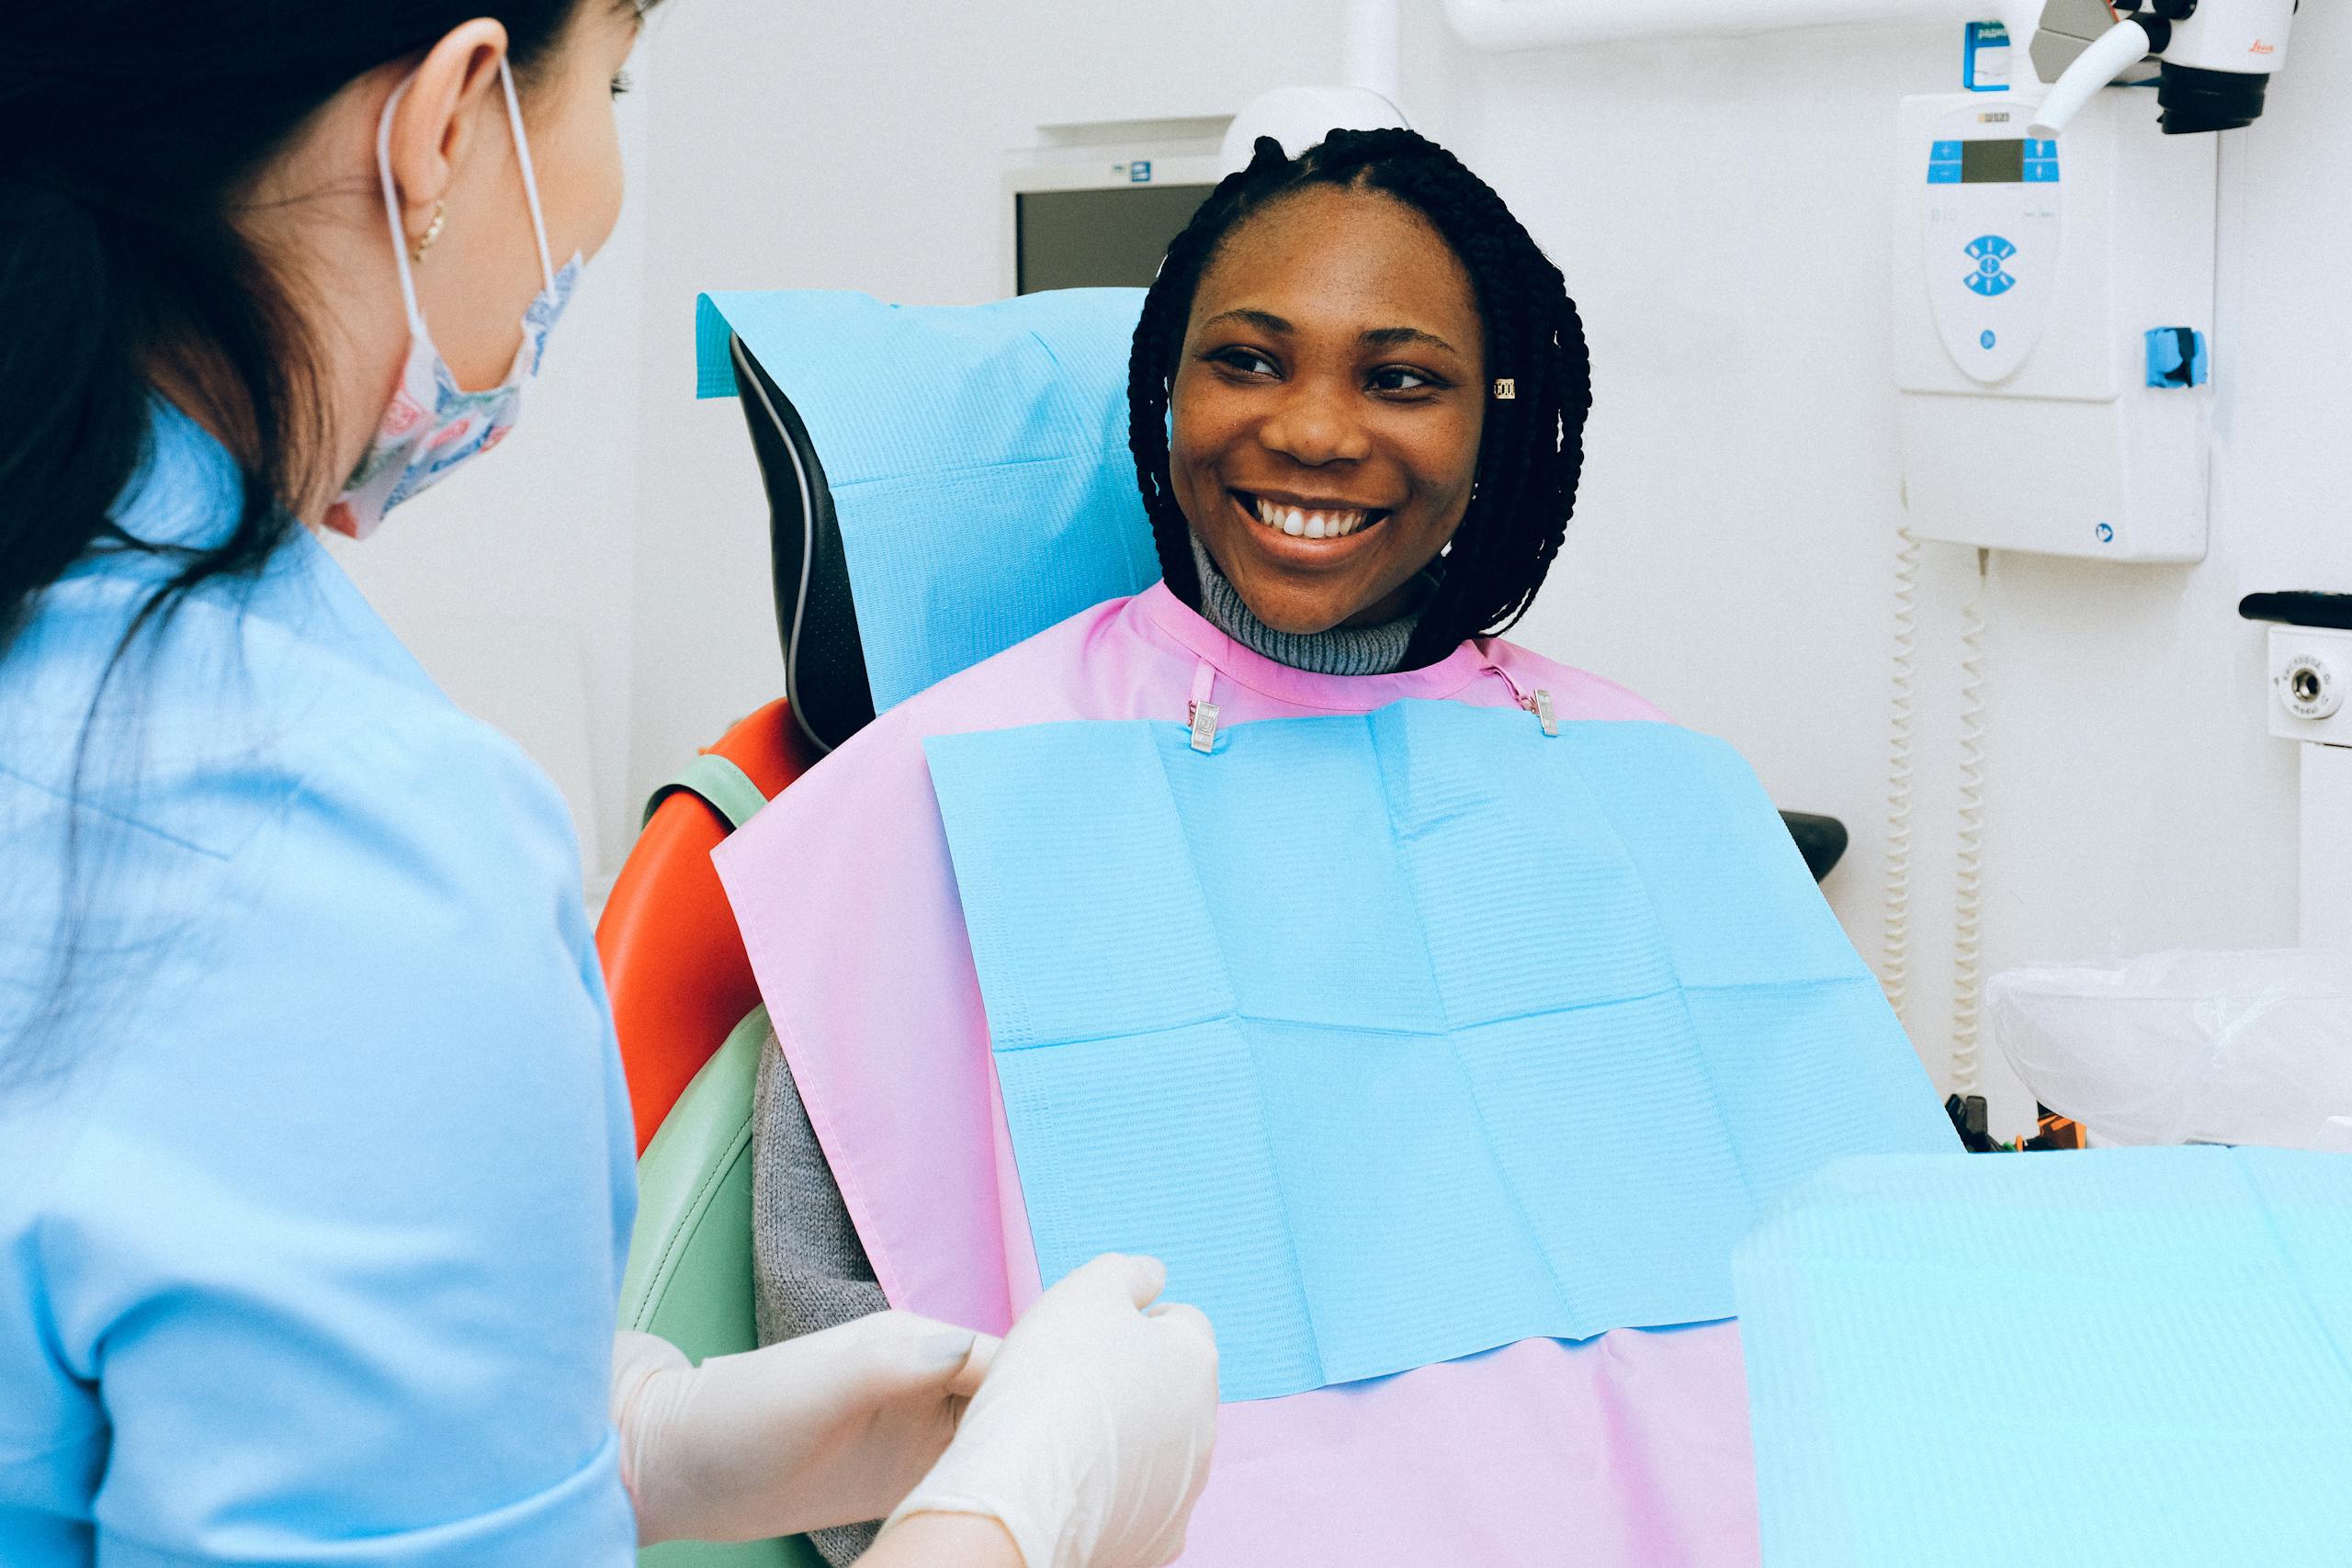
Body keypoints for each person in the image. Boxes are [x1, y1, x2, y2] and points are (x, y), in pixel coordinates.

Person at [0, 6, 1216, 1565]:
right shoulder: (349, 856)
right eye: (616, 81)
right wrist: (1006, 1523)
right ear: (447, 121)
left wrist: (604, 1442)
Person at [727, 130, 1761, 1566]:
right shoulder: (944, 792)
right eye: (1251, 361)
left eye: (1400, 377)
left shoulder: (1637, 780)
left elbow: (1820, 1278)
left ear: (1497, 428)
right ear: (1164, 395)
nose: (1316, 432)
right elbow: (842, 1362)